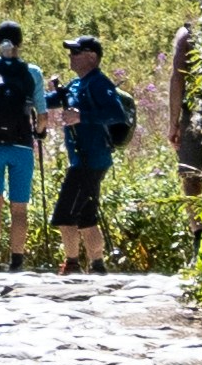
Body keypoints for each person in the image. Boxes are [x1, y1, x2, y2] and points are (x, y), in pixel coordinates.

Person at [47, 33, 138, 271]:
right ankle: (98, 265)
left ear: (91, 57)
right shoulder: (78, 84)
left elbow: (116, 114)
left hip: (91, 159)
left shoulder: (99, 83)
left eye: (76, 52)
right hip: (83, 159)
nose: (71, 56)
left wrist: (80, 117)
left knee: (65, 215)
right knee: (87, 215)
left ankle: (72, 264)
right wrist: (29, 100)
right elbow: (53, 100)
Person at [0, 24, 44, 267]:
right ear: (20, 44)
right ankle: (17, 262)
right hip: (22, 146)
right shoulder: (32, 72)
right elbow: (42, 115)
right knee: (19, 207)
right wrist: (38, 131)